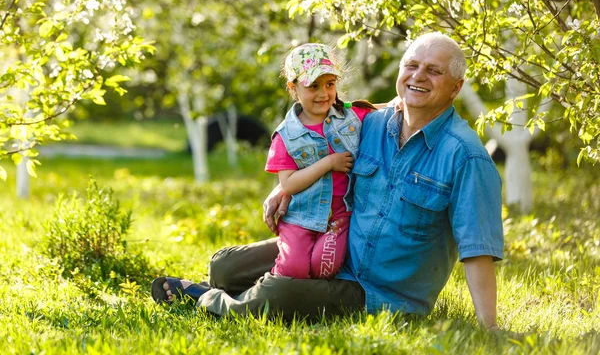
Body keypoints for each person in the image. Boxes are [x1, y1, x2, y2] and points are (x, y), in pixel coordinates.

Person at [151, 32, 504, 330]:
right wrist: (283, 186)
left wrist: (489, 328)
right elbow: (325, 139)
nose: (419, 76)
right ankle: (234, 289)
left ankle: (207, 298)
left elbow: (478, 249)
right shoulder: (372, 123)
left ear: (456, 88)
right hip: (334, 247)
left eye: (434, 71)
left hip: (378, 292)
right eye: (411, 66)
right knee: (225, 265)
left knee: (280, 296)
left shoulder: (466, 156)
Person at [266, 43, 375, 279]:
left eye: (330, 84)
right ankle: (271, 293)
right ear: (293, 87)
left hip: (339, 214)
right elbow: (288, 185)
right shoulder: (286, 135)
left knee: (323, 267)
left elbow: (386, 109)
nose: (323, 93)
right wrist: (328, 163)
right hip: (300, 215)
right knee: (293, 269)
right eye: (313, 86)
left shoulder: (351, 116)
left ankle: (317, 303)